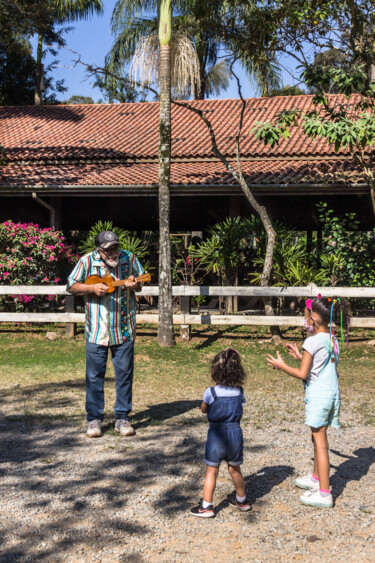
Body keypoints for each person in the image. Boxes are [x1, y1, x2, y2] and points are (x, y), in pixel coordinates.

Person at [267, 296, 351, 508]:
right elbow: (321, 365)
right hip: (331, 395)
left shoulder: (311, 341)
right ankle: (316, 477)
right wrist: (299, 356)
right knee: (318, 437)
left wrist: (282, 365)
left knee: (320, 443)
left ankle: (324, 493)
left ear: (314, 317)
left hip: (318, 396)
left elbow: (304, 374)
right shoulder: (333, 340)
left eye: (308, 315)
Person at [67, 230, 144, 438]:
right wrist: (90, 289)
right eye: (108, 250)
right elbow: (71, 285)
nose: (114, 253)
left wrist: (134, 284)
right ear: (99, 250)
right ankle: (94, 420)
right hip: (96, 330)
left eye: (116, 248)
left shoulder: (130, 259)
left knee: (125, 375)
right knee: (94, 377)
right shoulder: (86, 261)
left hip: (124, 329)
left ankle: (122, 418)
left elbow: (140, 283)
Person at [190, 348, 251, 518]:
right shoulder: (239, 391)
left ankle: (206, 506)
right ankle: (242, 500)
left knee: (212, 471)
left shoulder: (211, 392)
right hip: (235, 434)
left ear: (215, 372)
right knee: (235, 469)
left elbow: (204, 409)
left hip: (216, 434)